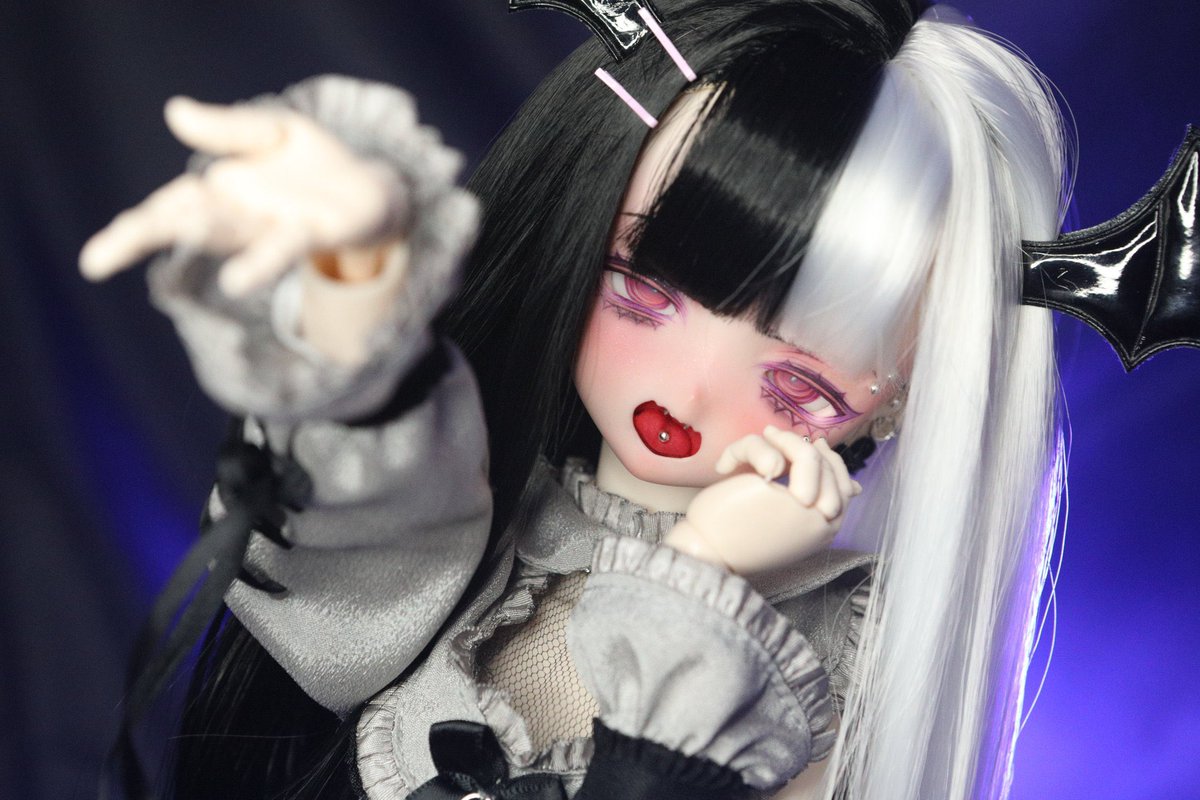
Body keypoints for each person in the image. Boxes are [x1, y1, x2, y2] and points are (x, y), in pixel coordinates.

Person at [80, 1, 1068, 797]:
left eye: (798, 381)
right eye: (641, 290)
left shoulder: (841, 654)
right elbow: (339, 587)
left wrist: (700, 580)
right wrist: (355, 308)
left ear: (898, 403)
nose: (686, 388)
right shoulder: (487, 511)